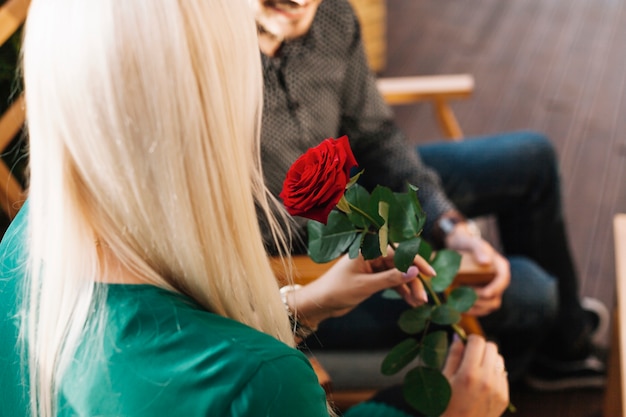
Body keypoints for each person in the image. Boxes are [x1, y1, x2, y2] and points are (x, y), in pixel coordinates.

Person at [0, 0, 509, 416]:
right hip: (301, 251)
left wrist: (300, 306)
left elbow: (375, 136)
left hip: (334, 241)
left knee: (529, 160)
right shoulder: (266, 386)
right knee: (526, 299)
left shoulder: (22, 242)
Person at [251, 0, 608, 389]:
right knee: (532, 291)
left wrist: (448, 224)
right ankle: (526, 360)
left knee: (533, 159)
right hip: (301, 265)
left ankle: (562, 346)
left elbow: (373, 136)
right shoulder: (203, 66)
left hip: (350, 192)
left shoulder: (332, 15)